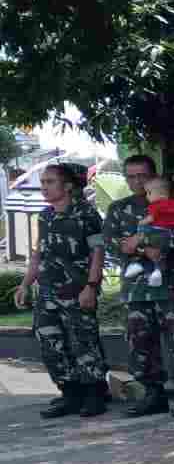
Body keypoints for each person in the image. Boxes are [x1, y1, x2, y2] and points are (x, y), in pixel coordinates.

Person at [103, 158, 174, 418]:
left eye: (142, 176)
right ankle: (153, 394)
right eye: (130, 176)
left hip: (173, 286)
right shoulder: (118, 208)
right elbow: (115, 244)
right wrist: (146, 246)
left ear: (153, 176)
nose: (137, 182)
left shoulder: (169, 202)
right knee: (140, 343)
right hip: (137, 289)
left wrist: (156, 243)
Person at [15, 163, 109, 418]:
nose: (44, 187)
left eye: (50, 182)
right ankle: (70, 393)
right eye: (43, 182)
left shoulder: (86, 214)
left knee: (84, 343)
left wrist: (91, 286)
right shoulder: (45, 216)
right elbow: (38, 253)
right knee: (50, 344)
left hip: (77, 291)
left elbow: (97, 253)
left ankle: (95, 394)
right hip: (47, 294)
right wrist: (25, 284)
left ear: (67, 185)